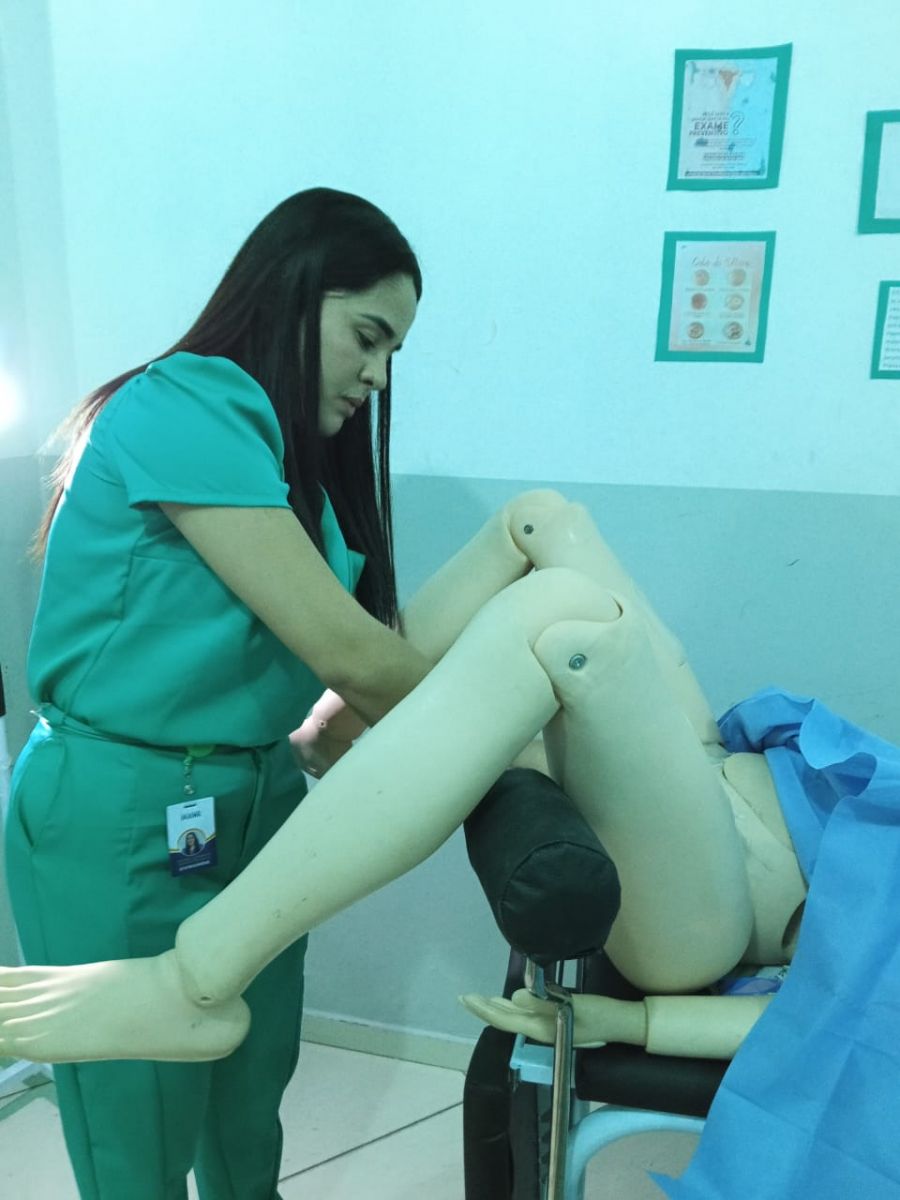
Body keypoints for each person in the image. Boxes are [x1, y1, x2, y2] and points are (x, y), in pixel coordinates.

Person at [3, 185, 564, 1200]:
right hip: (117, 804)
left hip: (255, 796)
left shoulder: (296, 470)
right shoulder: (186, 402)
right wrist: (525, 744)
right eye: (367, 336)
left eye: (393, 352)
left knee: (248, 1095)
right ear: (292, 294)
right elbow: (350, 652)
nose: (378, 374)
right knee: (137, 1118)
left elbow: (350, 668)